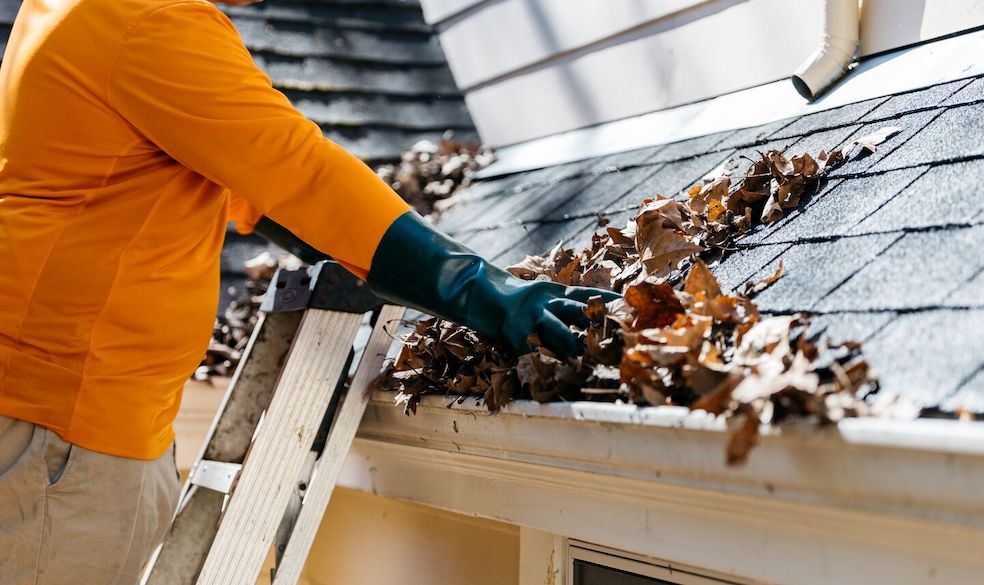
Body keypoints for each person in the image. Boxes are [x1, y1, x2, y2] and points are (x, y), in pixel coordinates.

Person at [0, 0, 614, 583]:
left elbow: (253, 181)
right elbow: (296, 172)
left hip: (65, 428)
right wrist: (483, 289)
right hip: (62, 436)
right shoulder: (149, 18)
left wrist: (392, 268)